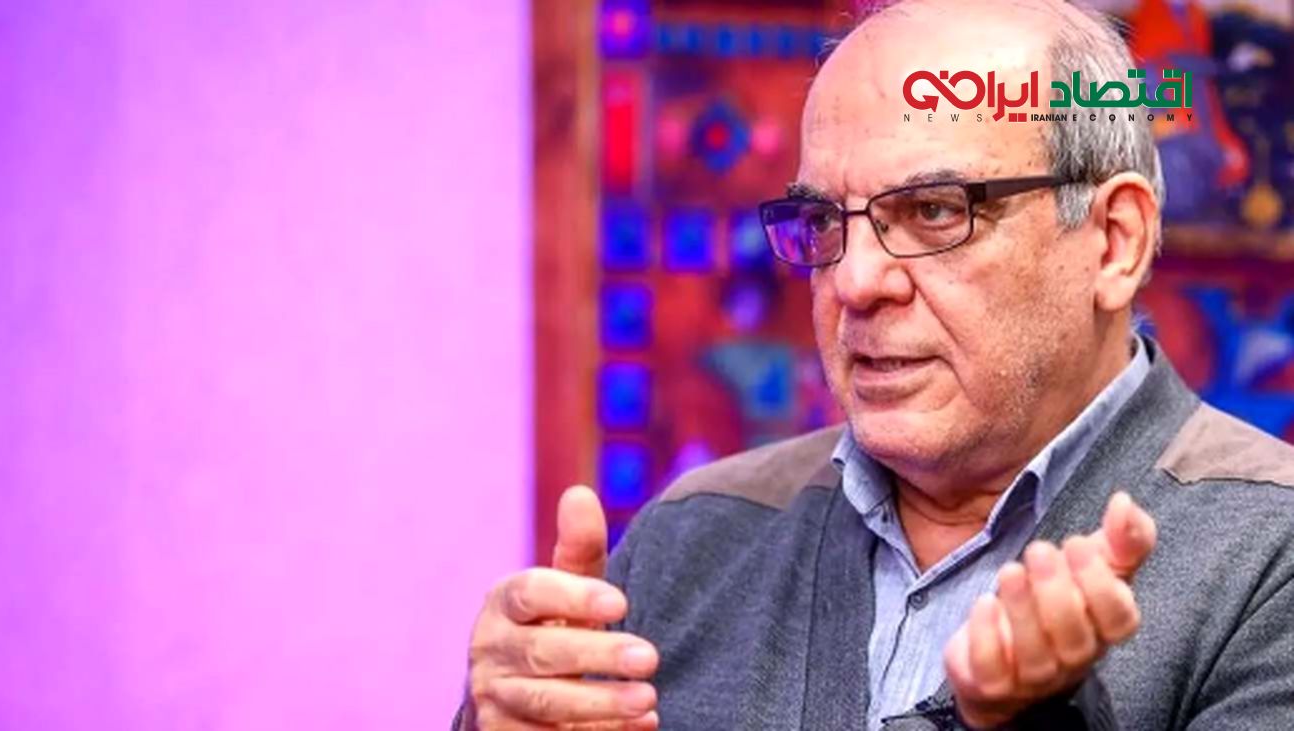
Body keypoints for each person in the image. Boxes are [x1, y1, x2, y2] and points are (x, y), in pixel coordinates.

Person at [458, 0, 1294, 728]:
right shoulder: (693, 536)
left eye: (935, 211)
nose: (854, 281)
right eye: (825, 221)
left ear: (1113, 241)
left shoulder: (1268, 556)